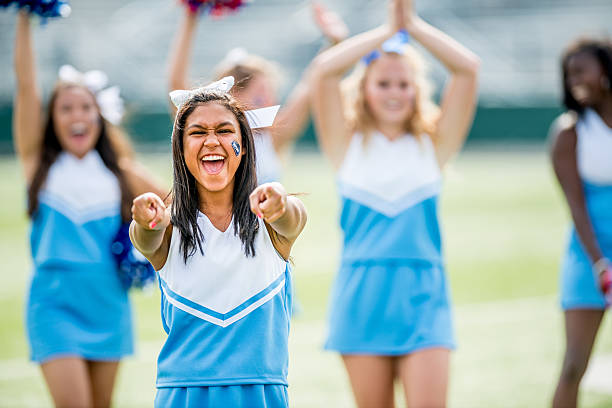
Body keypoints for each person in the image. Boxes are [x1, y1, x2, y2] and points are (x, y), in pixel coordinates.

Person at [309, 0, 479, 405]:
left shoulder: (433, 144)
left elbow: (468, 68)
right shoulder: (344, 144)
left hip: (424, 294)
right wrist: (387, 32)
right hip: (362, 296)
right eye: (383, 83)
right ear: (364, 90)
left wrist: (412, 25)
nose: (394, 93)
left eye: (404, 84)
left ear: (417, 91)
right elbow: (324, 71)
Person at [12, 10, 164, 408]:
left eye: (85, 108)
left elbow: (178, 204)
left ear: (100, 116)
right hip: (54, 304)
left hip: (109, 304)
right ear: (52, 119)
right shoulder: (38, 165)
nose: (77, 116)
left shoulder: (122, 173)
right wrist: (26, 16)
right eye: (66, 108)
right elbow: (27, 86)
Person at [129, 79, 307, 407]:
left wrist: (281, 204)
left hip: (261, 393)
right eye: (197, 133)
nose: (212, 140)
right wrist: (145, 221)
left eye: (225, 130)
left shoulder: (268, 219)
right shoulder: (169, 225)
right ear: (181, 149)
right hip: (183, 394)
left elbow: (295, 218)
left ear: (244, 144)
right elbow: (145, 237)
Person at [167, 1, 349, 184]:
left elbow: (312, 80)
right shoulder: (206, 135)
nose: (270, 104)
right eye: (260, 97)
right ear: (231, 97)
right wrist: (191, 14)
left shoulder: (271, 138)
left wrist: (334, 42)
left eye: (272, 95)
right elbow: (176, 84)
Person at [550, 37, 612, 408]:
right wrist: (599, 264)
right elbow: (576, 207)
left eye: (580, 71)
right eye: (568, 73)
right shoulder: (568, 133)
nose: (574, 80)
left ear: (605, 72)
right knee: (574, 365)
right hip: (588, 258)